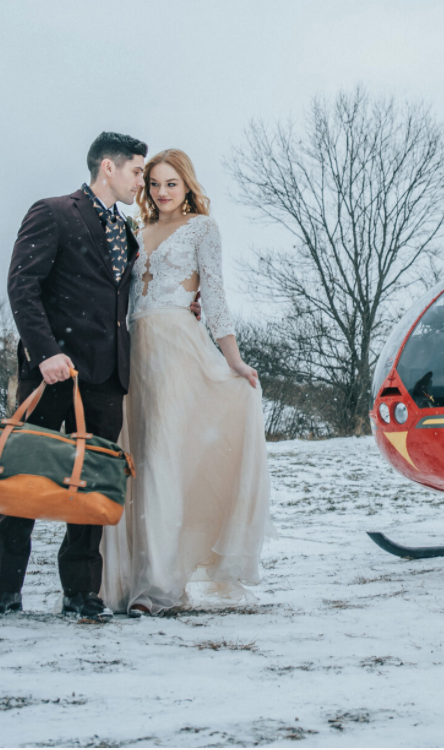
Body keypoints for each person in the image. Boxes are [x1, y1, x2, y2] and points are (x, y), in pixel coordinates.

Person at [0, 133, 148, 622]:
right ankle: (2, 593)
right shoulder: (52, 212)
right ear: (108, 168)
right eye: (136, 170)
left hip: (109, 376)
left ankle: (80, 594)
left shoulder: (127, 231)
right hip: (54, 373)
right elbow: (21, 285)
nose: (141, 180)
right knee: (24, 476)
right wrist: (46, 352)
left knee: (91, 485)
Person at [101, 149, 273, 616]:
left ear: (187, 185)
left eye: (171, 183)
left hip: (178, 347)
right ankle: (130, 582)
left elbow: (214, 293)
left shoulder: (201, 229)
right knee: (134, 459)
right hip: (135, 351)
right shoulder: (136, 232)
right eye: (154, 183)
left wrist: (233, 359)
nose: (161, 192)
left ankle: (158, 586)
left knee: (162, 460)